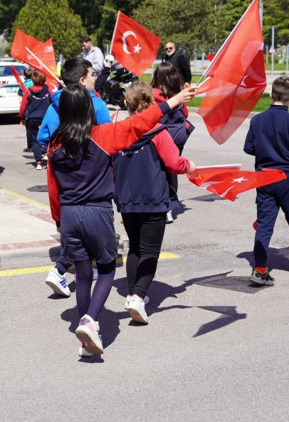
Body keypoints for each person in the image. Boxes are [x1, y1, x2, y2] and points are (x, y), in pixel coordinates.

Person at [46, 83, 196, 356]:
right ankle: (90, 321)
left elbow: (52, 187)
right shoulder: (103, 135)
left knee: (81, 274)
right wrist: (174, 100)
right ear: (88, 108)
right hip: (97, 211)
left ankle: (85, 338)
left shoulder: (54, 143)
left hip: (68, 214)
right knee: (106, 269)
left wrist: (58, 220)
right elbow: (141, 123)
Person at [113, 82, 197, 324]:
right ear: (150, 103)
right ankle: (138, 297)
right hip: (153, 199)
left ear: (127, 105)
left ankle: (132, 293)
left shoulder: (120, 131)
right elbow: (173, 163)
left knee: (135, 248)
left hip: (127, 199)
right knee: (150, 250)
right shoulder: (159, 132)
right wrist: (189, 166)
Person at [37, 58, 112, 297]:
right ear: (82, 80)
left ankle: (60, 270)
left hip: (63, 178)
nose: (94, 79)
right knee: (98, 246)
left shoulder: (53, 105)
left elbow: (42, 136)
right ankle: (66, 272)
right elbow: (108, 137)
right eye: (92, 75)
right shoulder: (96, 104)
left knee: (72, 229)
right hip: (92, 183)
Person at [244, 76, 289, 286]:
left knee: (264, 224)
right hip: (288, 179)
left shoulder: (257, 120)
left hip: (265, 178)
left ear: (271, 95)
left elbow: (249, 148)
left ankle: (259, 268)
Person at [151, 61, 196, 222]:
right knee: (172, 169)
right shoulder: (178, 94)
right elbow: (185, 114)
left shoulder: (154, 94)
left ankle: (163, 206)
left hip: (162, 137)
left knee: (159, 171)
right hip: (178, 137)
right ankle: (171, 204)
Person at [19, 70, 53, 170]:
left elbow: (23, 106)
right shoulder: (48, 89)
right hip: (46, 118)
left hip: (32, 118)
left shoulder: (29, 91)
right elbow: (53, 101)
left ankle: (38, 162)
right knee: (48, 138)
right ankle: (47, 158)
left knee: (35, 140)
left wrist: (22, 117)